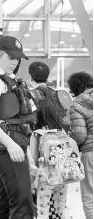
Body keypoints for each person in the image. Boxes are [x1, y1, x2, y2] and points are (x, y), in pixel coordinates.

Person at [0, 35, 35, 219]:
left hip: (13, 146)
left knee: (4, 206)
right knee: (23, 204)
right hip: (6, 149)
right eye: (11, 57)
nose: (15, 62)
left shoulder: (10, 80)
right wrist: (10, 145)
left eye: (17, 58)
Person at [27, 99, 69, 218]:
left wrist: (32, 183)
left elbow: (34, 161)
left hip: (45, 177)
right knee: (61, 207)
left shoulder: (37, 134)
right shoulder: (62, 132)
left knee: (43, 209)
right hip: (63, 175)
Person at [68, 72, 93, 219]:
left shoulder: (77, 104)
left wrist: (70, 142)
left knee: (89, 193)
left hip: (90, 152)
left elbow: (80, 135)